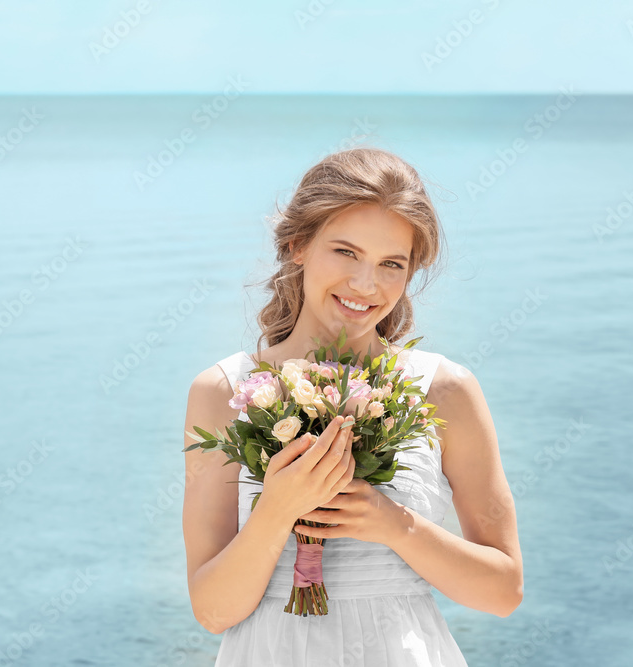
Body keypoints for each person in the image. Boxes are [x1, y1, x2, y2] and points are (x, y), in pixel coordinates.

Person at [182, 147, 523, 666]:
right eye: (345, 252)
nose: (366, 285)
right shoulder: (223, 393)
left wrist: (392, 523)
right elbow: (212, 612)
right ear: (298, 245)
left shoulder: (444, 389)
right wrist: (276, 510)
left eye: (391, 264)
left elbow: (503, 592)